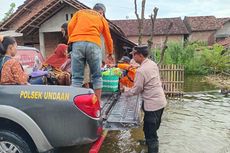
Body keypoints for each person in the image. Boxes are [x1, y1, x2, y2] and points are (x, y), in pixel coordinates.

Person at [124, 45, 167, 153]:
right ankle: (147, 141)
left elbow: (136, 89)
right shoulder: (152, 64)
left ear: (140, 55)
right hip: (160, 101)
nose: (133, 57)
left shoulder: (141, 71)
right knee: (151, 127)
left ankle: (151, 146)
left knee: (152, 135)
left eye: (134, 54)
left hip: (152, 105)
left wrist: (125, 92)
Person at [68, 3, 114, 102]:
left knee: (77, 78)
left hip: (77, 43)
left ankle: (76, 104)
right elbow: (108, 38)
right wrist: (110, 53)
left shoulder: (79, 13)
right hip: (94, 44)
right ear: (101, 12)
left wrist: (72, 38)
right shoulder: (101, 18)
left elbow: (70, 26)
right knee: (97, 76)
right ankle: (97, 104)